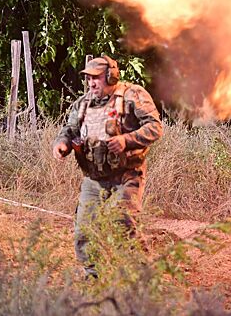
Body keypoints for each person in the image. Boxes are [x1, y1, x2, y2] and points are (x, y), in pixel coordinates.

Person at [53, 56, 163, 278]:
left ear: (111, 76)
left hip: (127, 176)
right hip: (94, 179)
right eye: (88, 79)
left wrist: (127, 140)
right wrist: (62, 144)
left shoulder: (132, 96)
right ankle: (93, 275)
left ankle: (142, 277)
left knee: (123, 221)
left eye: (96, 78)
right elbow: (69, 129)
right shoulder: (84, 103)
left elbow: (155, 128)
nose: (91, 84)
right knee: (84, 229)